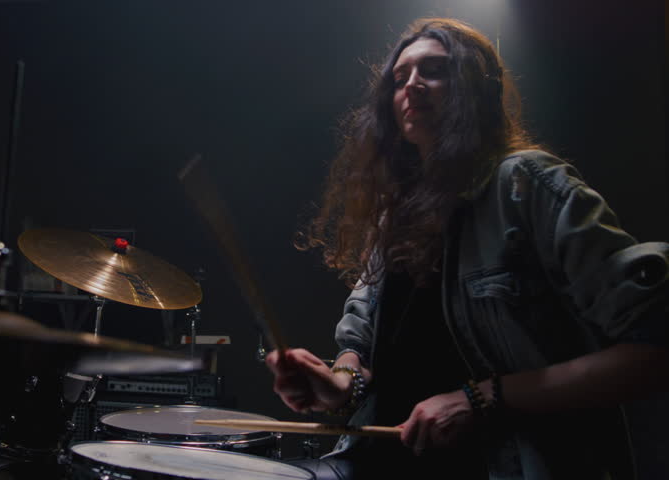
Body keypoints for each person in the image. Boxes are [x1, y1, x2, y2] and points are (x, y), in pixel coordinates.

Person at [266, 18, 668, 480]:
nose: (412, 84)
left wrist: (481, 399)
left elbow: (654, 352)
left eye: (434, 70)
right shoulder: (393, 218)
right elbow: (360, 356)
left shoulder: (527, 185)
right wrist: (336, 383)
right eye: (400, 78)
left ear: (476, 90)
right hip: (376, 465)